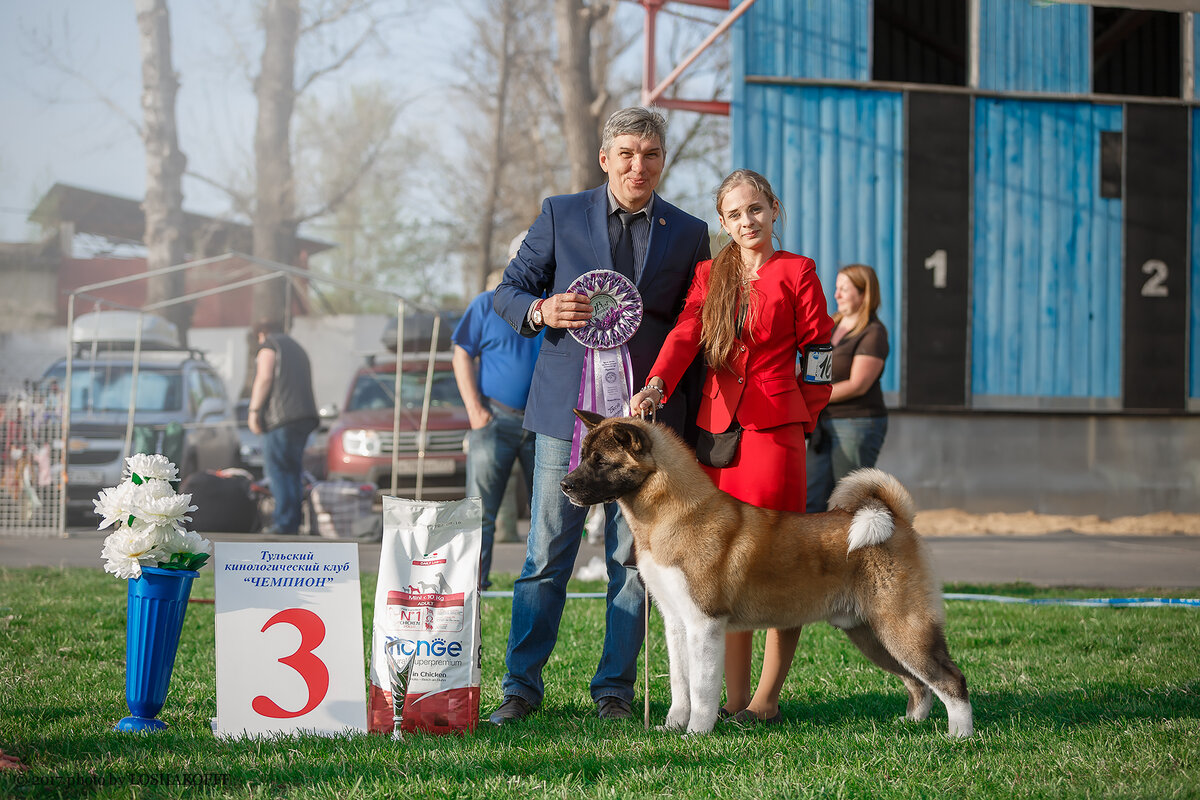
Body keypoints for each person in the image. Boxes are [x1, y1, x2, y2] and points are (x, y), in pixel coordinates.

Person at [489, 106, 711, 724]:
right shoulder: (560, 213)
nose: (640, 165)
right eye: (629, 153)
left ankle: (614, 689)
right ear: (605, 159)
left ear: (662, 162)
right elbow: (508, 291)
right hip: (568, 418)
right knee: (545, 554)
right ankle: (520, 687)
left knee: (631, 559)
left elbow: (688, 325)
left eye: (652, 155)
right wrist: (541, 311)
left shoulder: (690, 233)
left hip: (644, 429)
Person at [630, 168, 834, 726]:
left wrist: (806, 415)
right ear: (722, 222)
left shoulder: (799, 272)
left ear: (775, 209)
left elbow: (820, 353)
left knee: (775, 560)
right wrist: (656, 383)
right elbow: (684, 335)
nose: (748, 222)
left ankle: (766, 699)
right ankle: (734, 701)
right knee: (720, 568)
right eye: (735, 214)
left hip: (775, 432)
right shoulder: (710, 272)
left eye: (756, 210)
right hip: (715, 434)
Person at [451, 263, 540, 590]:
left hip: (542, 424)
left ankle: (537, 588)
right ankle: (474, 587)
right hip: (494, 420)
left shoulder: (552, 305)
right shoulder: (486, 304)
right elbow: (461, 353)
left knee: (544, 516)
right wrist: (474, 408)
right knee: (480, 514)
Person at [805, 264, 889, 513]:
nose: (836, 294)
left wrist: (812, 396)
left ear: (864, 294)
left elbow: (857, 385)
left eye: (844, 289)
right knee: (812, 498)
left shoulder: (873, 332)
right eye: (836, 288)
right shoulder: (831, 325)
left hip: (856, 423)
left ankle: (858, 550)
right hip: (824, 422)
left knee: (848, 502)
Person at [247, 319, 318, 535]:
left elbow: (265, 377)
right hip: (304, 416)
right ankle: (292, 522)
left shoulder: (269, 345)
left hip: (281, 418)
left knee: (277, 470)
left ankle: (284, 523)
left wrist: (254, 411)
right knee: (293, 471)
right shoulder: (297, 347)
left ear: (262, 332)